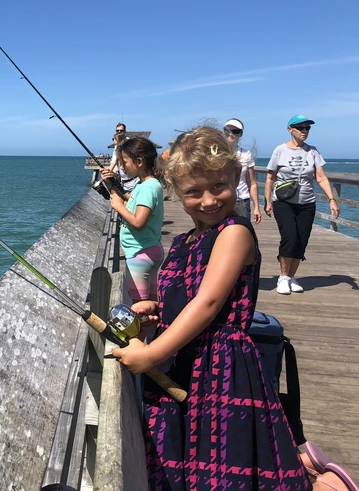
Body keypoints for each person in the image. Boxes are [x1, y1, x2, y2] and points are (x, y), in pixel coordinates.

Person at [112, 126, 313, 489]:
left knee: (219, 467)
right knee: (180, 459)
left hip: (222, 367)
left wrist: (152, 352)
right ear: (177, 192)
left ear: (235, 177)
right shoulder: (185, 239)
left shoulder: (233, 233)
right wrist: (158, 307)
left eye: (218, 186)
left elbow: (207, 304)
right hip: (183, 360)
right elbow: (190, 295)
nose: (207, 201)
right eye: (193, 191)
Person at [264, 115, 340, 295]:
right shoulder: (279, 150)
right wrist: (266, 200)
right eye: (301, 128)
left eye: (307, 128)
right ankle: (283, 277)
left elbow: (320, 177)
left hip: (307, 203)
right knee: (290, 237)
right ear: (290, 129)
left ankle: (291, 277)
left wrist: (331, 199)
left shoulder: (312, 151)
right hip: (284, 202)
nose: (304, 131)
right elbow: (269, 177)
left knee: (301, 241)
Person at [100, 137, 164, 303]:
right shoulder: (148, 184)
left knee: (139, 309)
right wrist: (110, 184)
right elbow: (132, 201)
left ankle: (143, 330)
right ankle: (157, 329)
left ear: (139, 161)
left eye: (124, 162)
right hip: (150, 250)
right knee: (151, 304)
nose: (121, 166)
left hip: (140, 255)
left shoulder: (147, 188)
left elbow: (138, 222)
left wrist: (119, 207)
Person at [223, 118, 261, 224]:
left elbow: (252, 183)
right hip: (222, 200)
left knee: (243, 232)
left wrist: (257, 207)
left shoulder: (246, 154)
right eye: (227, 130)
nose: (231, 134)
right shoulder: (217, 153)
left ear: (240, 134)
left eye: (235, 131)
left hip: (242, 200)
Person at [108, 123, 140, 192]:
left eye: (121, 131)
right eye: (117, 131)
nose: (119, 132)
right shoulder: (117, 147)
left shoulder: (128, 144)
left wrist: (107, 171)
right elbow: (114, 162)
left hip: (133, 182)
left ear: (125, 131)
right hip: (125, 182)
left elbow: (113, 163)